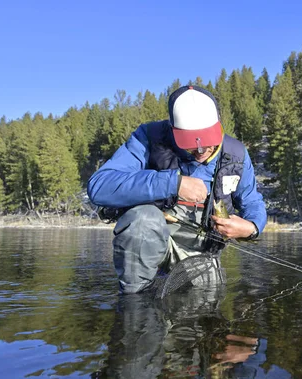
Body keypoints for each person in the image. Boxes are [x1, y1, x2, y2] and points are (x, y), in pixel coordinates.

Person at [87, 85, 266, 294]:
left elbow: (252, 202)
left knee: (204, 310)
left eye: (207, 142)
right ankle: (135, 303)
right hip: (153, 244)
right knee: (142, 219)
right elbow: (100, 186)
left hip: (203, 256)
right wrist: (173, 183)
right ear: (173, 130)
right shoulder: (148, 138)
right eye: (190, 143)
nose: (201, 151)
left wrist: (253, 227)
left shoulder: (236, 154)